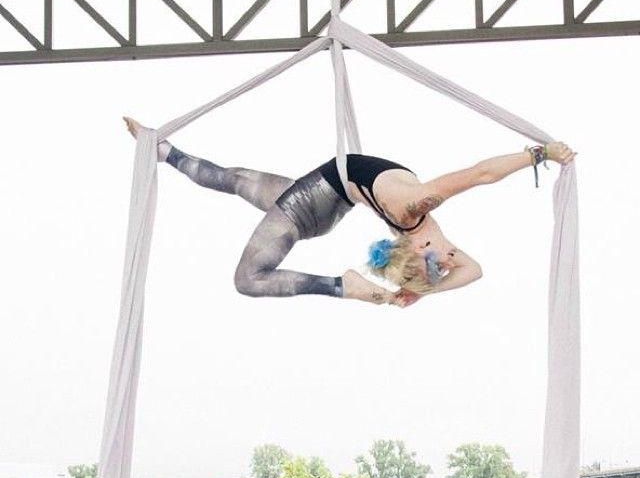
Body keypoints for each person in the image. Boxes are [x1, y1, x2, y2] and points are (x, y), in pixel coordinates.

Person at [123, 117, 575, 307]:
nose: (452, 257)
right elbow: (475, 271)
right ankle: (160, 148)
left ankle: (345, 287)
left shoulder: (414, 207)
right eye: (446, 261)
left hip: (310, 207)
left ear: (418, 251)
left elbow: (481, 173)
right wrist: (422, 291)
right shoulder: (426, 233)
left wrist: (540, 154)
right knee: (232, 179)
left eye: (439, 263)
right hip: (328, 199)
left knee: (246, 281)